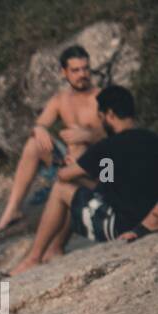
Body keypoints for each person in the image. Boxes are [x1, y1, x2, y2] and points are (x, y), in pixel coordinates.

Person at [11, 85, 158, 275]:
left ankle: (34, 258)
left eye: (101, 116)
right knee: (82, 195)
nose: (101, 121)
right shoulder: (152, 139)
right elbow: (109, 185)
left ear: (110, 115)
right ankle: (55, 250)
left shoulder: (106, 148)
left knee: (61, 189)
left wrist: (75, 166)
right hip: (146, 219)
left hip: (122, 227)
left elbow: (65, 176)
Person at [0, 45, 105, 235]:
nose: (82, 74)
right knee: (34, 144)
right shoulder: (60, 100)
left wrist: (89, 135)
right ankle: (12, 211)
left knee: (79, 143)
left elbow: (117, 136)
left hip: (100, 166)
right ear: (64, 72)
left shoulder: (101, 97)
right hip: (69, 162)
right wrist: (39, 129)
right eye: (75, 70)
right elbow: (40, 123)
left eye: (85, 69)